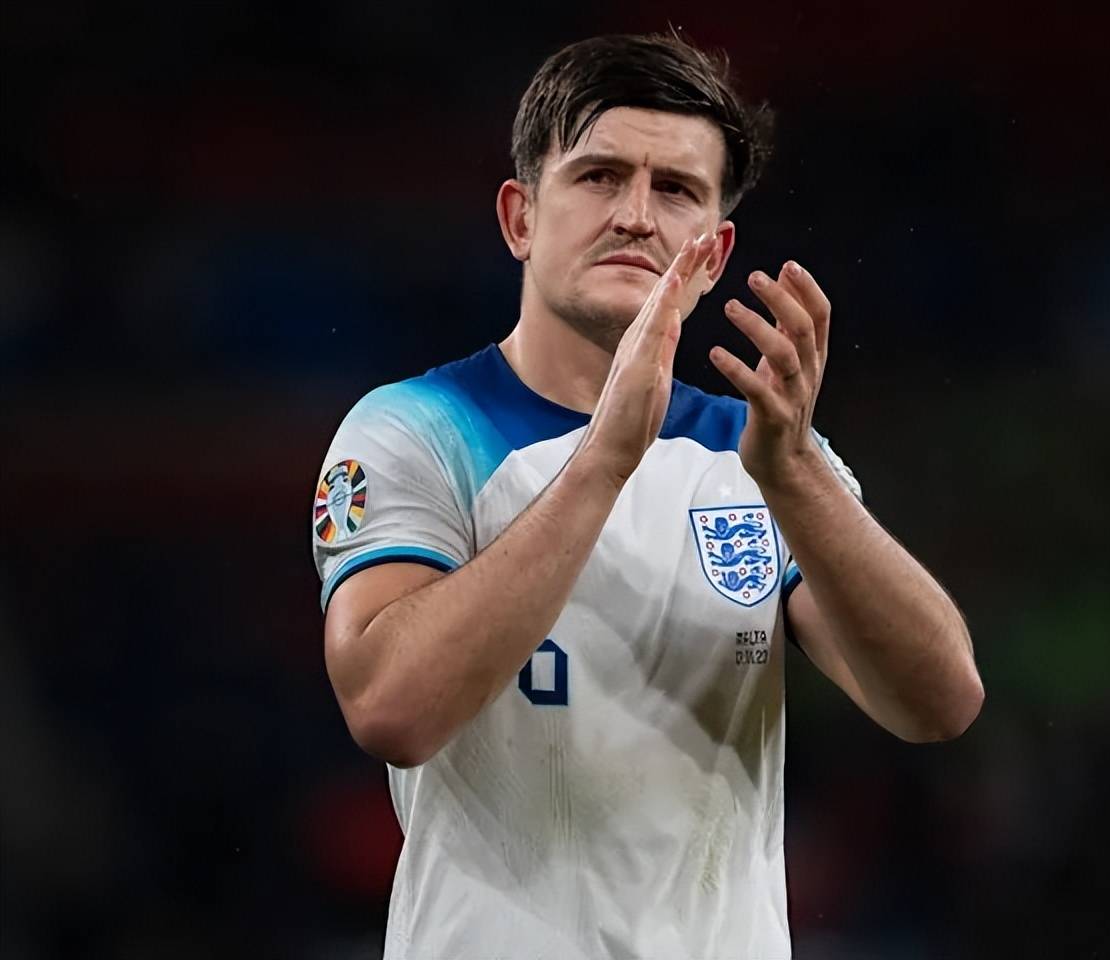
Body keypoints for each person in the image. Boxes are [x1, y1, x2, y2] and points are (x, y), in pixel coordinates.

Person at [311, 32, 983, 959]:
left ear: (714, 251)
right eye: (598, 177)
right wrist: (603, 461)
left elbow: (939, 701)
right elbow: (391, 710)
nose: (634, 216)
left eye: (675, 190)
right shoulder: (412, 428)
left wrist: (797, 478)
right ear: (519, 218)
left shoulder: (761, 453)